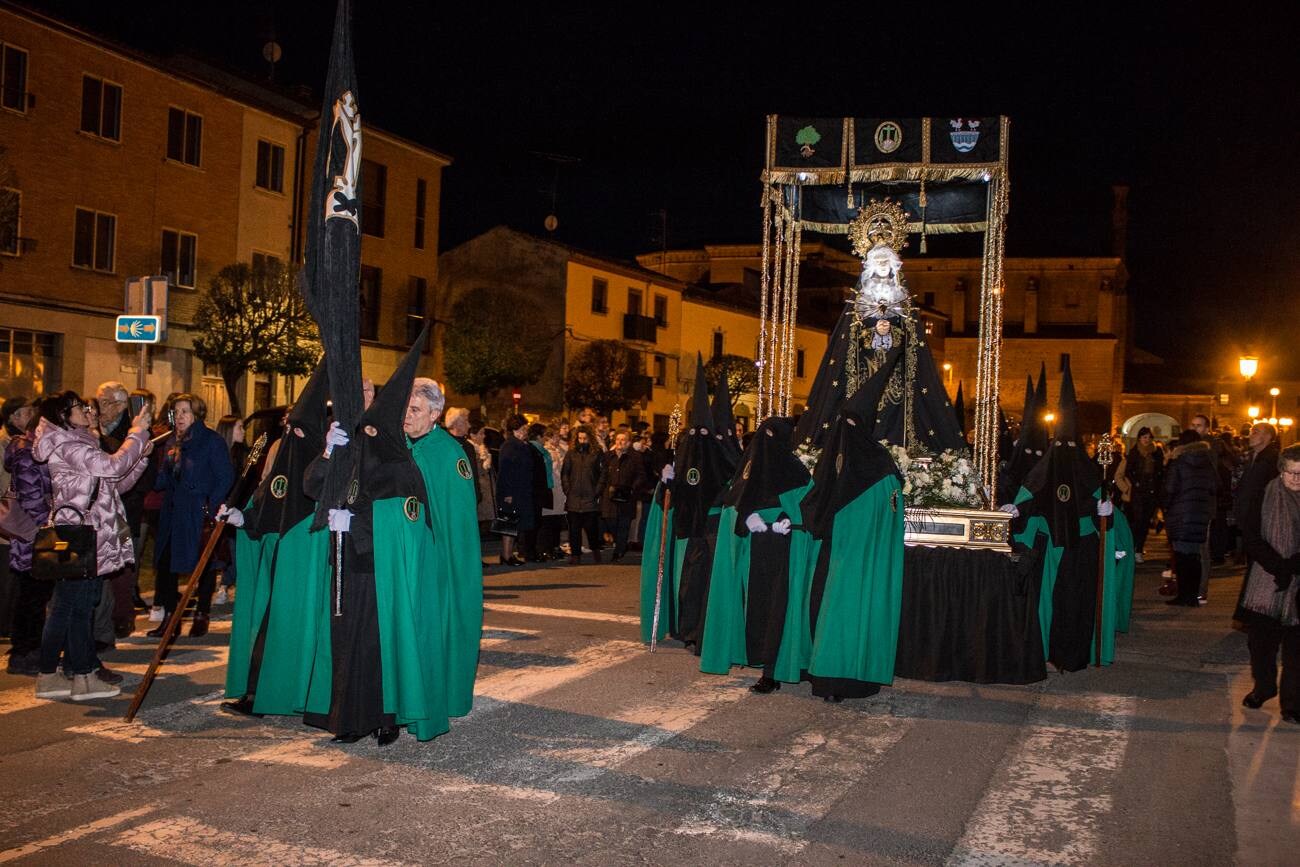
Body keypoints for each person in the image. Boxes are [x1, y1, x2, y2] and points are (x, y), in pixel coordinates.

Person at [303, 336, 450, 745]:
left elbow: (409, 514)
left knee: (378, 642)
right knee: (344, 640)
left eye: (367, 392)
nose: (360, 399)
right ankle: (348, 720)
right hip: (344, 562)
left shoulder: (393, 453)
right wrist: (329, 455)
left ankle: (385, 719)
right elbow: (312, 485)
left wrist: (357, 523)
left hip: (378, 565)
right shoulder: (344, 443)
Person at [221, 363, 330, 717]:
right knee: (268, 629)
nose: (292, 435)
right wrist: (243, 517)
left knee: (293, 631)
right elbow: (270, 500)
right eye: (289, 428)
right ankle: (257, 695)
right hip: (280, 562)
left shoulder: (319, 461)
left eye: (299, 430)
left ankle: (286, 694)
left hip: (304, 567)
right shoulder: (285, 456)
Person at [31, 392, 152, 701]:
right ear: (62, 415)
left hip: (93, 534)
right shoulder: (68, 445)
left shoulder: (81, 442)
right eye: (78, 408)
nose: (86, 411)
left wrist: (140, 455)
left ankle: (53, 675)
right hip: (82, 537)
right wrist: (136, 434)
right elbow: (111, 468)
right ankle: (82, 676)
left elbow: (113, 484)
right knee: (77, 609)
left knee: (70, 607)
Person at [700, 416, 814, 693]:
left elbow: (807, 505)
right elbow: (733, 501)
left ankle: (773, 670)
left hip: (783, 551)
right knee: (758, 607)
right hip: (755, 552)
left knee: (779, 609)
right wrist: (746, 519)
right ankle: (762, 661)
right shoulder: (750, 467)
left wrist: (786, 521)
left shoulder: (795, 469)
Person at [405, 377, 483, 720]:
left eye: (415, 409)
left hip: (436, 557)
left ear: (435, 413)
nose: (406, 415)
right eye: (405, 408)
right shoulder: (408, 445)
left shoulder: (448, 453)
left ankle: (438, 694)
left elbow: (456, 518)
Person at [150, 394, 235, 638]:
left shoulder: (211, 441)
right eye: (175, 412)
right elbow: (164, 479)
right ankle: (170, 617)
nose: (179, 417)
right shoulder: (171, 442)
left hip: (198, 512)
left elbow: (225, 476)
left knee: (203, 564)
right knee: (166, 563)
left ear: (197, 414)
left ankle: (202, 613)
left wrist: (210, 503)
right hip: (173, 512)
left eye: (184, 411)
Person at [1238, 443, 1300, 725]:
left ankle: (1293, 704)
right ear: (1281, 471)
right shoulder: (1264, 494)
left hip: (1299, 583)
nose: (1296, 480)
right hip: (1265, 581)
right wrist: (1277, 565)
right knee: (1261, 645)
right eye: (1291, 473)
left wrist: (1292, 566)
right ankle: (1264, 686)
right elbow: (1250, 535)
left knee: (1296, 650)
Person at [3, 407, 51, 675]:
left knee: (35, 594)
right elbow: (31, 496)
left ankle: (29, 647)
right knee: (31, 596)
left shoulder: (31, 449)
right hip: (32, 534)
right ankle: (24, 652)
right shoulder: (25, 451)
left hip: (33, 534)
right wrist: (50, 523)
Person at [1163, 429, 1217, 607]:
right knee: (1194, 555)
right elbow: (1216, 486)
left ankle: (1184, 594)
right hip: (1200, 512)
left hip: (1181, 512)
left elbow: (1169, 489)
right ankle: (1193, 595)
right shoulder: (1207, 462)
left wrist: (1166, 507)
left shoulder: (1179, 462)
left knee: (1181, 555)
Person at [0, 396, 36, 644]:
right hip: (5, 521)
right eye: (26, 412)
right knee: (6, 579)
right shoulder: (3, 444)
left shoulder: (25, 443)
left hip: (20, 521)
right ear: (13, 417)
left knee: (17, 579)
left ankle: (11, 626)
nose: (31, 416)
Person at [212, 414, 247, 605]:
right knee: (231, 553)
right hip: (223, 510)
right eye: (239, 427)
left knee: (235, 553)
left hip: (237, 511)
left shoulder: (240, 455)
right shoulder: (222, 455)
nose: (243, 431)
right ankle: (224, 586)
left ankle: (225, 585)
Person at [561, 425, 605, 564]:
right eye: (579, 438)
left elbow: (603, 474)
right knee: (574, 530)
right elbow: (565, 473)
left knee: (591, 529)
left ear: (590, 438)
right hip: (573, 497)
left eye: (584, 438)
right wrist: (567, 489)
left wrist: (597, 491)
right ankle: (575, 556)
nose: (582, 441)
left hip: (590, 497)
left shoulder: (597, 453)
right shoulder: (571, 453)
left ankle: (596, 550)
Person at [1119, 426, 1163, 563]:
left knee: (1145, 522)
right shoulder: (1134, 453)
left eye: (1149, 437)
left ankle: (1139, 550)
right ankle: (1132, 548)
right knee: (1136, 521)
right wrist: (1133, 484)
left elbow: (1159, 471)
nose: (1147, 440)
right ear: (1139, 438)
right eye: (1144, 437)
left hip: (1151, 491)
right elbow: (1128, 471)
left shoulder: (1156, 452)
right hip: (1137, 492)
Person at [495, 414, 534, 567]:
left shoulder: (519, 444)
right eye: (524, 428)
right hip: (511, 491)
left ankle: (509, 554)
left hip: (519, 490)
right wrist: (508, 494)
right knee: (509, 524)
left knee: (513, 524)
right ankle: (506, 555)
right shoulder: (510, 446)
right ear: (516, 429)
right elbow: (506, 470)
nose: (526, 431)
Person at [602, 431, 647, 561]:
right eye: (618, 439)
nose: (619, 442)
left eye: (623, 440)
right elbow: (603, 474)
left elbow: (641, 475)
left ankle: (619, 550)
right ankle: (619, 542)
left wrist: (632, 488)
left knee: (624, 523)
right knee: (610, 521)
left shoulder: (635, 457)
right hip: (610, 496)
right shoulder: (609, 456)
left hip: (626, 496)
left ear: (628, 442)